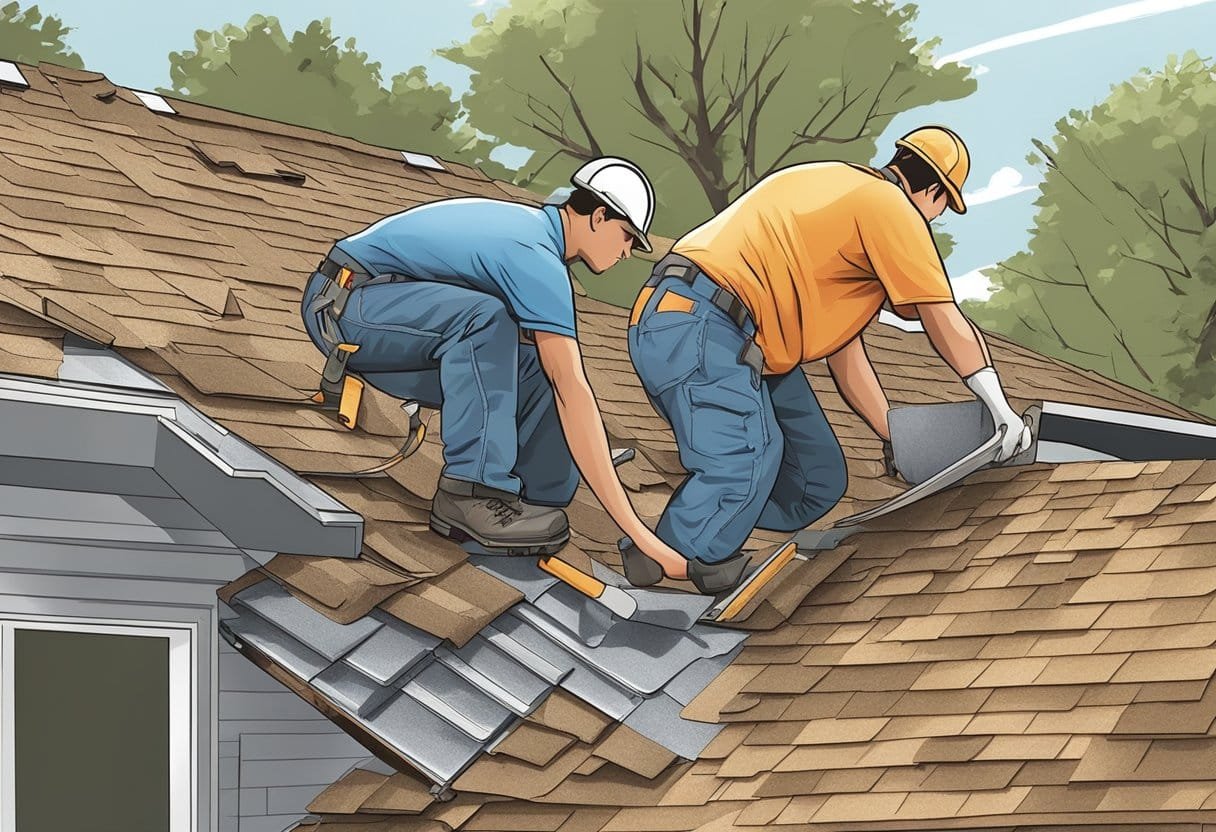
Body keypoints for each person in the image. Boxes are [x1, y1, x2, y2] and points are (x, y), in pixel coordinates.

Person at [625, 126, 1032, 594]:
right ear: (934, 192)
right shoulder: (889, 204)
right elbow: (940, 316)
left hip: (732, 335)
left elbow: (844, 352)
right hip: (700, 323)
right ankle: (665, 561)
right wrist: (1000, 410)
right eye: (943, 208)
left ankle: (710, 523)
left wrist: (895, 437)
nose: (937, 218)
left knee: (815, 480)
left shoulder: (845, 205)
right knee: (748, 456)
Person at [301, 157, 691, 578]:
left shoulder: (540, 246)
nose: (627, 252)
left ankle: (534, 499)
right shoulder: (534, 255)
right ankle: (469, 494)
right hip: (346, 306)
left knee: (532, 360)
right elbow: (573, 392)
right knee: (488, 322)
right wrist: (642, 536)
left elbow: (554, 382)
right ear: (598, 217)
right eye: (627, 236)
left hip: (394, 320)